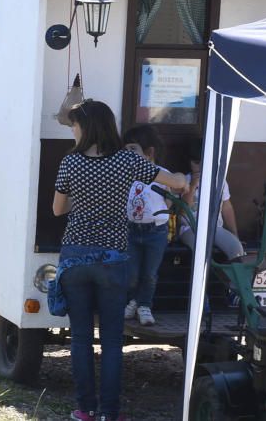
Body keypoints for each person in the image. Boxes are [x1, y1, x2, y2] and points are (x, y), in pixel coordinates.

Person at [52, 100, 186, 421]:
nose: (72, 130)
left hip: (75, 259)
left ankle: (85, 410)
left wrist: (86, 206)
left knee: (81, 337)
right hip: (113, 259)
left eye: (75, 125)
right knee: (112, 340)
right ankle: (109, 414)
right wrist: (179, 175)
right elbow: (176, 183)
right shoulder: (128, 161)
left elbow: (58, 209)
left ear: (86, 128)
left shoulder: (70, 163)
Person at [121, 125, 171, 327]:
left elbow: (171, 198)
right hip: (131, 230)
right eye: (125, 150)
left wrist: (164, 215)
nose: (128, 154)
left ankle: (144, 305)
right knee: (132, 273)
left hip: (155, 232)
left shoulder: (162, 174)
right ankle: (133, 300)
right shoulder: (124, 173)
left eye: (133, 149)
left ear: (149, 152)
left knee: (149, 273)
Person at [179, 140, 246, 261]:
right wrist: (193, 186)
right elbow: (183, 211)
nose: (201, 167)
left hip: (215, 228)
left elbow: (227, 208)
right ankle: (202, 278)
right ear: (189, 162)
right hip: (189, 229)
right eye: (196, 163)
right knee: (200, 251)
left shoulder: (219, 182)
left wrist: (234, 234)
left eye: (205, 162)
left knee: (236, 249)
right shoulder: (184, 181)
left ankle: (232, 279)